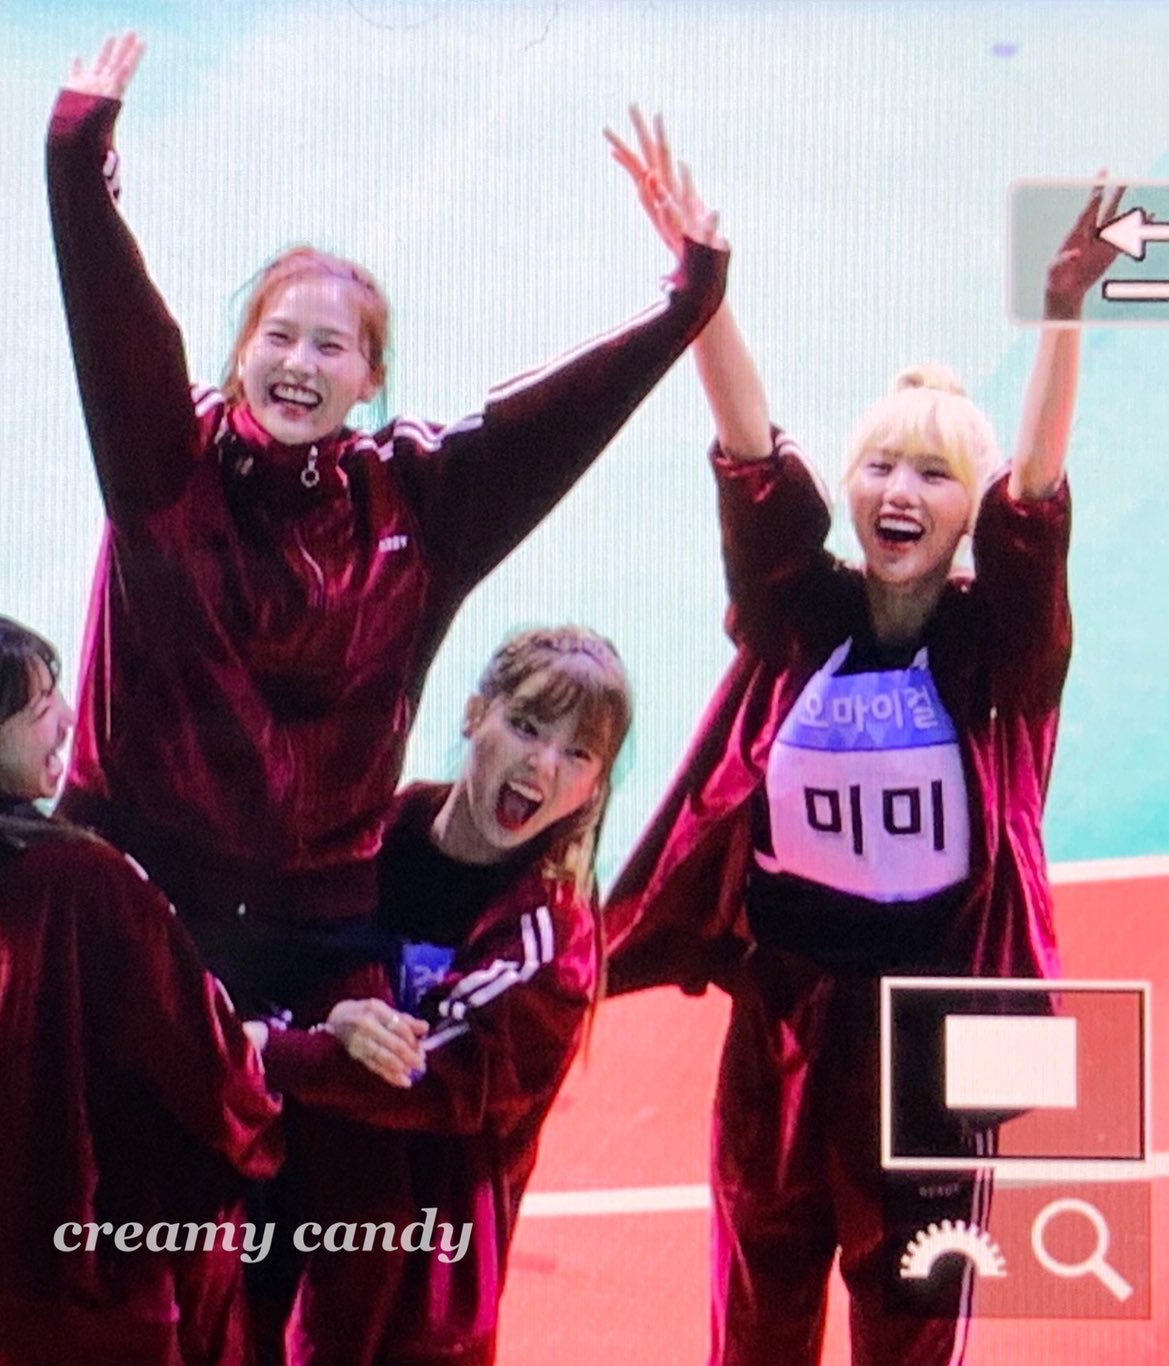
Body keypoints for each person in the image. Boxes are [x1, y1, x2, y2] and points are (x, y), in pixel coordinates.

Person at [46, 31, 728, 1022]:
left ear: (370, 379)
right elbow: (114, 324)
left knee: (340, 1110)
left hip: (314, 935)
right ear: (239, 358)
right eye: (278, 337)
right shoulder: (164, 464)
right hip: (135, 901)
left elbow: (552, 423)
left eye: (331, 347)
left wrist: (684, 306)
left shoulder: (415, 503)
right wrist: (77, 161)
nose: (300, 364)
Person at [596, 110, 1122, 1366]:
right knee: (756, 1315)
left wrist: (1060, 316)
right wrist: (701, 292)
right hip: (780, 1013)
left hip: (931, 1028)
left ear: (966, 511)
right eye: (879, 466)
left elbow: (1035, 505)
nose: (899, 490)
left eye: (933, 476)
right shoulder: (801, 616)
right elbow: (748, 456)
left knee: (913, 1325)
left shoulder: (996, 652)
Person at [0, 610, 283, 1366]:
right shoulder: (79, 882)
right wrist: (290, 1053)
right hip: (99, 1279)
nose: (67, 719)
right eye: (38, 709)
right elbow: (210, 1076)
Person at [251, 626, 631, 1366]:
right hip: (280, 1231)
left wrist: (278, 1047)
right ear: (474, 714)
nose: (542, 765)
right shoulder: (365, 839)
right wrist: (320, 1023)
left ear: (594, 787)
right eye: (527, 726)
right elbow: (270, 965)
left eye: (578, 754)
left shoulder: (552, 940)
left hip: (416, 1301)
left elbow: (434, 1080)